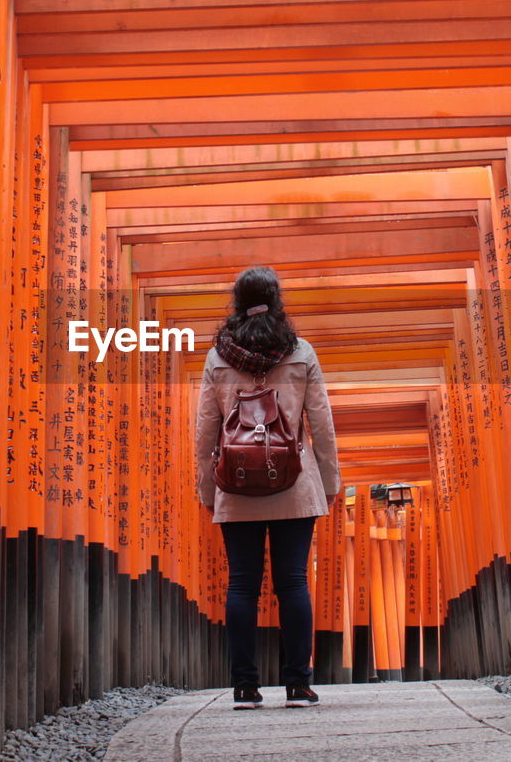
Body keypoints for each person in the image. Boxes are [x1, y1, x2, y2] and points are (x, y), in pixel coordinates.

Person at [194, 265, 342, 710]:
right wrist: (330, 483)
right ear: (278, 302)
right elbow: (322, 424)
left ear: (235, 303)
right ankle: (297, 685)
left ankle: (244, 687)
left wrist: (207, 490)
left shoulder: (218, 357)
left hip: (236, 488)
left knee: (242, 586)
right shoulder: (300, 352)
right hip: (295, 484)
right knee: (292, 583)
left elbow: (205, 431)